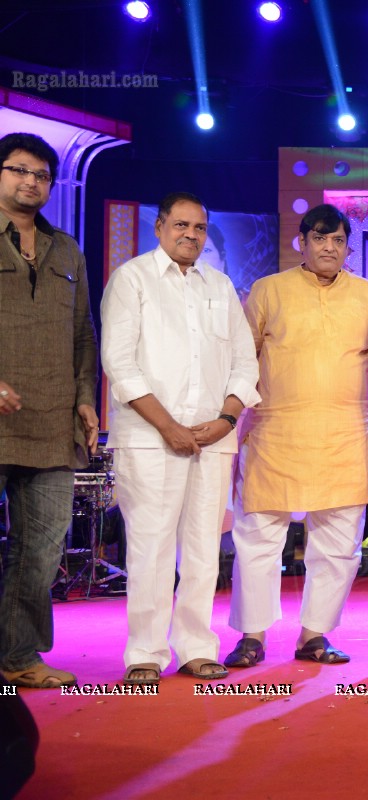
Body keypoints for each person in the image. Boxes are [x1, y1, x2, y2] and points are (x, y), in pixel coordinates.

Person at [102, 192, 260, 685]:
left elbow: (244, 363)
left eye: (199, 227)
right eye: (181, 225)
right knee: (150, 547)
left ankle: (195, 647)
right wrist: (168, 426)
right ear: (160, 226)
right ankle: (145, 655)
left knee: (201, 548)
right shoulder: (132, 280)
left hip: (213, 439)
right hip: (150, 439)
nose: (191, 234)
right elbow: (119, 364)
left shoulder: (220, 285)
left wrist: (227, 420)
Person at [223, 204, 368, 668]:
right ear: (302, 241)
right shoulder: (268, 290)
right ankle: (252, 637)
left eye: (337, 241)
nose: (328, 249)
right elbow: (243, 357)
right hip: (276, 429)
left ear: (348, 247)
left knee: (338, 542)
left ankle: (314, 636)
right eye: (320, 239)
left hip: (344, 432)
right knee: (258, 536)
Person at [0, 132, 98, 689]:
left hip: (52, 423)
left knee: (40, 550)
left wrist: (85, 399)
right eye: (19, 170)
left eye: (41, 175)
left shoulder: (66, 250)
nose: (30, 182)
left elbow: (83, 335)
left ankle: (19, 656)